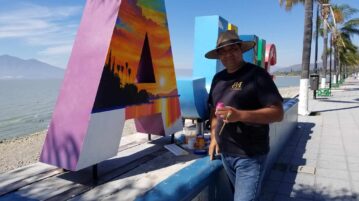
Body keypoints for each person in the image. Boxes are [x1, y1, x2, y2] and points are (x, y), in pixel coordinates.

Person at [206, 30, 284, 201]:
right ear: (219, 56)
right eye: (223, 51)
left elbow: (278, 113)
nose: (228, 54)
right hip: (226, 154)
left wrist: (239, 115)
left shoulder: (257, 75)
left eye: (233, 49)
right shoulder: (217, 79)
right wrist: (213, 137)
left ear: (241, 50)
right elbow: (214, 111)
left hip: (250, 156)